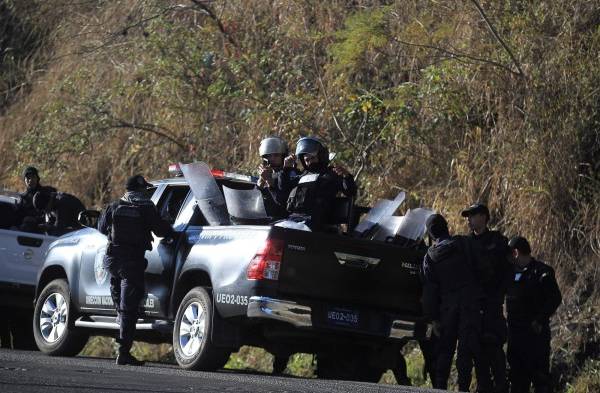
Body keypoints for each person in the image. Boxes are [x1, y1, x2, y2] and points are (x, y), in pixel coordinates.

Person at [98, 175, 174, 366]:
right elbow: (161, 231)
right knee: (129, 309)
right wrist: (171, 228)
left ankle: (120, 323)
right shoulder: (146, 207)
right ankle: (123, 352)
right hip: (131, 263)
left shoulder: (114, 205)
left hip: (112, 261)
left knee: (120, 301)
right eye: (144, 189)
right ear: (140, 190)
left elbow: (100, 228)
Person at [421, 213, 490, 391]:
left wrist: (433, 318)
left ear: (431, 234)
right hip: (470, 304)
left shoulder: (430, 256)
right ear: (447, 227)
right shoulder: (465, 243)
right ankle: (463, 389)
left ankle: (440, 386)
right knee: (466, 349)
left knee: (445, 348)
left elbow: (430, 291)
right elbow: (483, 269)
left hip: (447, 308)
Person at [462, 202, 511, 393]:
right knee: (476, 348)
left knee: (493, 346)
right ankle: (484, 386)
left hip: (491, 303)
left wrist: (498, 295)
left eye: (472, 216)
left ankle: (501, 385)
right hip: (473, 305)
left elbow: (507, 272)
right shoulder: (466, 244)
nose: (469, 220)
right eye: (468, 217)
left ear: (483, 217)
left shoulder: (498, 242)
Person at [506, 236, 562, 393]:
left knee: (540, 379)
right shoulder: (509, 274)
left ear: (515, 253)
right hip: (515, 337)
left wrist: (539, 320)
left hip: (535, 336)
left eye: (510, 256)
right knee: (517, 380)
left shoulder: (541, 272)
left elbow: (555, 298)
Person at [276, 137, 357, 230]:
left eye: (312, 158)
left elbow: (351, 192)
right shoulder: (301, 175)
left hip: (316, 223)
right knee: (275, 230)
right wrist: (285, 170)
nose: (310, 162)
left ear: (321, 156)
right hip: (294, 220)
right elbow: (282, 193)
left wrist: (346, 177)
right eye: (307, 160)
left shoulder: (332, 174)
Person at [256, 136, 294, 219]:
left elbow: (283, 202)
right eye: (268, 156)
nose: (272, 158)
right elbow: (255, 204)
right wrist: (261, 181)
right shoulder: (265, 174)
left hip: (284, 222)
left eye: (276, 155)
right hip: (265, 221)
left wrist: (269, 180)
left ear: (283, 156)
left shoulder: (290, 174)